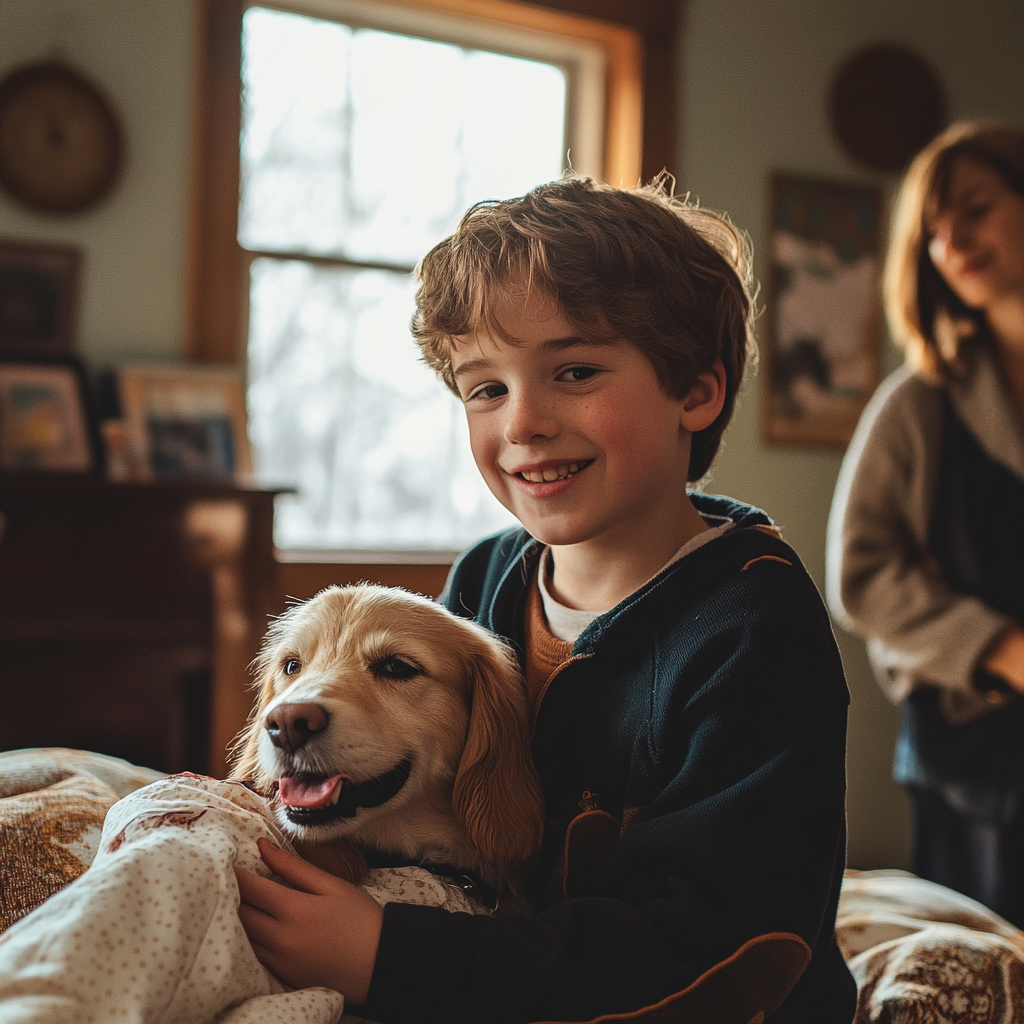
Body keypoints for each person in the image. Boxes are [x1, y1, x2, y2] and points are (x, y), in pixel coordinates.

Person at [235, 174, 857, 1022]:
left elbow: (716, 950)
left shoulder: (754, 631)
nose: (522, 422)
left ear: (696, 392)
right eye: (485, 387)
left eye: (574, 370)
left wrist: (388, 953)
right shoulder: (486, 580)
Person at [827, 122, 1024, 925]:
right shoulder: (920, 403)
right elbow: (860, 576)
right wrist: (1004, 650)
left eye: (975, 209)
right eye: (935, 233)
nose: (954, 243)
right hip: (975, 761)